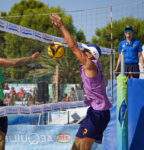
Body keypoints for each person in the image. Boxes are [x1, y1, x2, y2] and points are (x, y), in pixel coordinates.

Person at [50, 14, 112, 150]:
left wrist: (61, 26)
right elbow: (74, 46)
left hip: (99, 113)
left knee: (84, 147)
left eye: (85, 51)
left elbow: (73, 47)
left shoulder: (91, 65)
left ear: (90, 55)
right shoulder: (90, 65)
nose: (82, 52)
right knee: (76, 147)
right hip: (94, 111)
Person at [0, 35, 41, 150]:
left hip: (0, 105)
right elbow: (13, 63)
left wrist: (2, 85)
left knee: (0, 139)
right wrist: (30, 58)